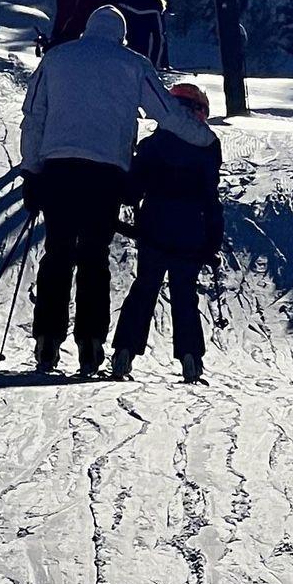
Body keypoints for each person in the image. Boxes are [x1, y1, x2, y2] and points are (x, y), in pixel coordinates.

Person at [19, 5, 216, 376]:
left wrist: (32, 170)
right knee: (94, 256)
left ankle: (47, 339)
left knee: (58, 253)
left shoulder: (56, 58)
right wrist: (204, 137)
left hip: (59, 169)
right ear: (121, 36)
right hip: (106, 174)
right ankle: (90, 343)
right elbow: (168, 113)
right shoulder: (133, 63)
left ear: (88, 28)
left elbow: (33, 117)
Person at [111, 82, 222, 383]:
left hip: (155, 224)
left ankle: (124, 351)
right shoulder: (209, 145)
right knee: (184, 292)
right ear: (199, 111)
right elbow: (210, 196)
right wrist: (213, 237)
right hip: (192, 227)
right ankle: (190, 358)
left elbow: (133, 188)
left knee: (145, 287)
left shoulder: (154, 143)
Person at [114, 0, 169, 69]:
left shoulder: (117, 3)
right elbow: (159, 39)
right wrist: (154, 66)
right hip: (144, 63)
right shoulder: (154, 3)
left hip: (122, 63)